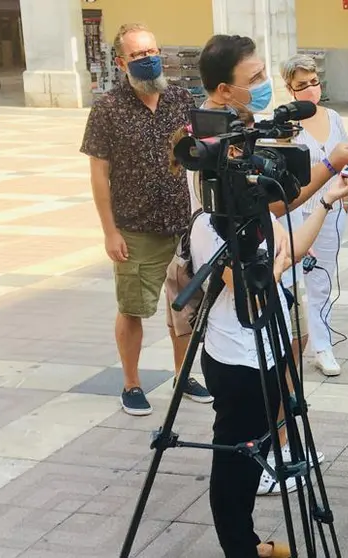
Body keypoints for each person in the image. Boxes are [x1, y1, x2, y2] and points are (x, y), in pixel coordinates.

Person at [192, 35, 348, 498]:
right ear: (224, 90)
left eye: (266, 72)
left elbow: (276, 201)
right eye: (255, 78)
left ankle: (277, 446)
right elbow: (268, 207)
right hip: (241, 305)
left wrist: (325, 185)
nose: (267, 84)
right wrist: (329, 165)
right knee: (242, 420)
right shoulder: (214, 144)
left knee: (290, 350)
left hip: (270, 265)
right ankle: (264, 459)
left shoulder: (243, 123)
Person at [191, 164, 348, 558]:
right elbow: (248, 286)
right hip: (235, 359)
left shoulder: (255, 215)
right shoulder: (208, 226)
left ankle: (249, 542)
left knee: (259, 445)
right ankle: (241, 548)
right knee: (235, 458)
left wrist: (327, 198)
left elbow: (295, 247)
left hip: (268, 351)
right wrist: (278, 264)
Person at [81, 23, 212, 416]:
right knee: (134, 308)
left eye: (152, 51)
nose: (148, 59)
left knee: (184, 309)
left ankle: (182, 373)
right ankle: (132, 382)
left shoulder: (178, 98)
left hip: (181, 223)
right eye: (138, 55)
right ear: (121, 62)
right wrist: (109, 232)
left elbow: (194, 150)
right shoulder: (108, 109)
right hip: (134, 228)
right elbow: (98, 175)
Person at [279, 53, 348, 377]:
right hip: (296, 212)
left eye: (314, 83)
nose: (310, 89)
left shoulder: (333, 117)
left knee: (321, 280)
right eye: (301, 85)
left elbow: (345, 156)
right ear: (289, 89)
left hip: (332, 209)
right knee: (292, 279)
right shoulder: (284, 125)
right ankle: (290, 343)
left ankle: (323, 346)